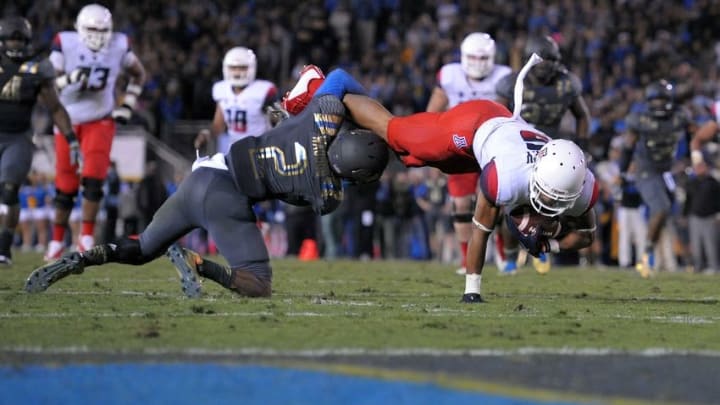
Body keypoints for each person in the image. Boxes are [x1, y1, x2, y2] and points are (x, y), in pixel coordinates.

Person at [281, 55, 597, 303]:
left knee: (412, 155)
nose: (551, 203)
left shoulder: (581, 184)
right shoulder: (508, 176)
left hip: (495, 138)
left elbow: (586, 237)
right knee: (400, 140)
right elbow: (481, 230)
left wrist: (549, 243)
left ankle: (338, 115)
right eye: (549, 197)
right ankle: (323, 85)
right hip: (473, 124)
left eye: (558, 200)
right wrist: (472, 289)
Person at [26, 94, 390, 298]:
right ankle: (200, 264)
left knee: (141, 250)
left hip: (202, 174)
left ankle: (83, 258)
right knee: (257, 284)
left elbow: (334, 95)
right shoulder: (328, 192)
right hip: (227, 200)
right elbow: (309, 199)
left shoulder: (317, 119)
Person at [45, 3, 146, 260]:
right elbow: (48, 80)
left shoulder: (119, 44)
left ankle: (86, 237)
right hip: (66, 118)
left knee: (93, 178)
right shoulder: (64, 42)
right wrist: (69, 79)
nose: (97, 34)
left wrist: (128, 105)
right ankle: (56, 241)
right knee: (65, 184)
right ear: (79, 28)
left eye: (102, 29)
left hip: (99, 119)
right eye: (91, 29)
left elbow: (138, 74)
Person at [495, 35, 591, 274]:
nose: (547, 65)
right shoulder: (513, 81)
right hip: (519, 148)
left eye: (551, 60)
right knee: (509, 202)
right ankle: (509, 257)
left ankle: (540, 248)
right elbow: (495, 114)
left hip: (553, 149)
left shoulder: (566, 83)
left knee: (552, 205)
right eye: (543, 60)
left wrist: (581, 146)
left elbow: (583, 115)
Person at [425, 32, 511, 275]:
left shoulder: (503, 77)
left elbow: (510, 114)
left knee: (495, 203)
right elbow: (432, 114)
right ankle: (466, 260)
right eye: (473, 57)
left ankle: (504, 256)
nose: (478, 63)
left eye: (482, 57)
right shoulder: (450, 75)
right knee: (461, 206)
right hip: (460, 147)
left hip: (491, 147)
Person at [0, 17, 78, 265]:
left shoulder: (36, 67)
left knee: (10, 189)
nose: (15, 43)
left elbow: (55, 108)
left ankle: (4, 245)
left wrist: (71, 139)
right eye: (11, 38)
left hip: (18, 137)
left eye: (19, 39)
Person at [620, 79, 692, 278]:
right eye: (656, 100)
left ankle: (687, 261)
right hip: (646, 170)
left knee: (677, 214)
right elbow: (628, 146)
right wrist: (623, 173)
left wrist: (690, 159)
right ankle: (647, 252)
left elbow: (690, 136)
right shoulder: (640, 119)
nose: (659, 104)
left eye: (663, 99)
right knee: (660, 208)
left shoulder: (680, 116)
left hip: (669, 171)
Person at [194, 47, 279, 154]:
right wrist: (207, 133)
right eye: (233, 68)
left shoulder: (263, 91)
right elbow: (219, 125)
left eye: (242, 67)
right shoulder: (222, 90)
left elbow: (280, 118)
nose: (237, 71)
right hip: (234, 150)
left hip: (261, 149)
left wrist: (273, 109)